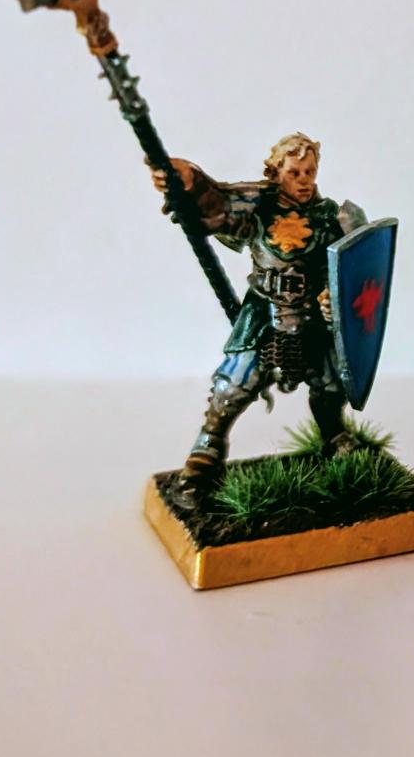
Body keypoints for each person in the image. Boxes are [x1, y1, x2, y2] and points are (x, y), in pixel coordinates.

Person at [151, 132, 366, 502]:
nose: (304, 180)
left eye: (310, 172)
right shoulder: (258, 206)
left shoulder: (334, 216)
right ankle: (207, 449)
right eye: (295, 172)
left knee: (332, 382)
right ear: (277, 172)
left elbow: (355, 266)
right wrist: (189, 181)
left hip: (313, 316)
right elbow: (217, 203)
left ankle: (334, 434)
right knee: (233, 383)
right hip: (265, 312)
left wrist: (337, 297)